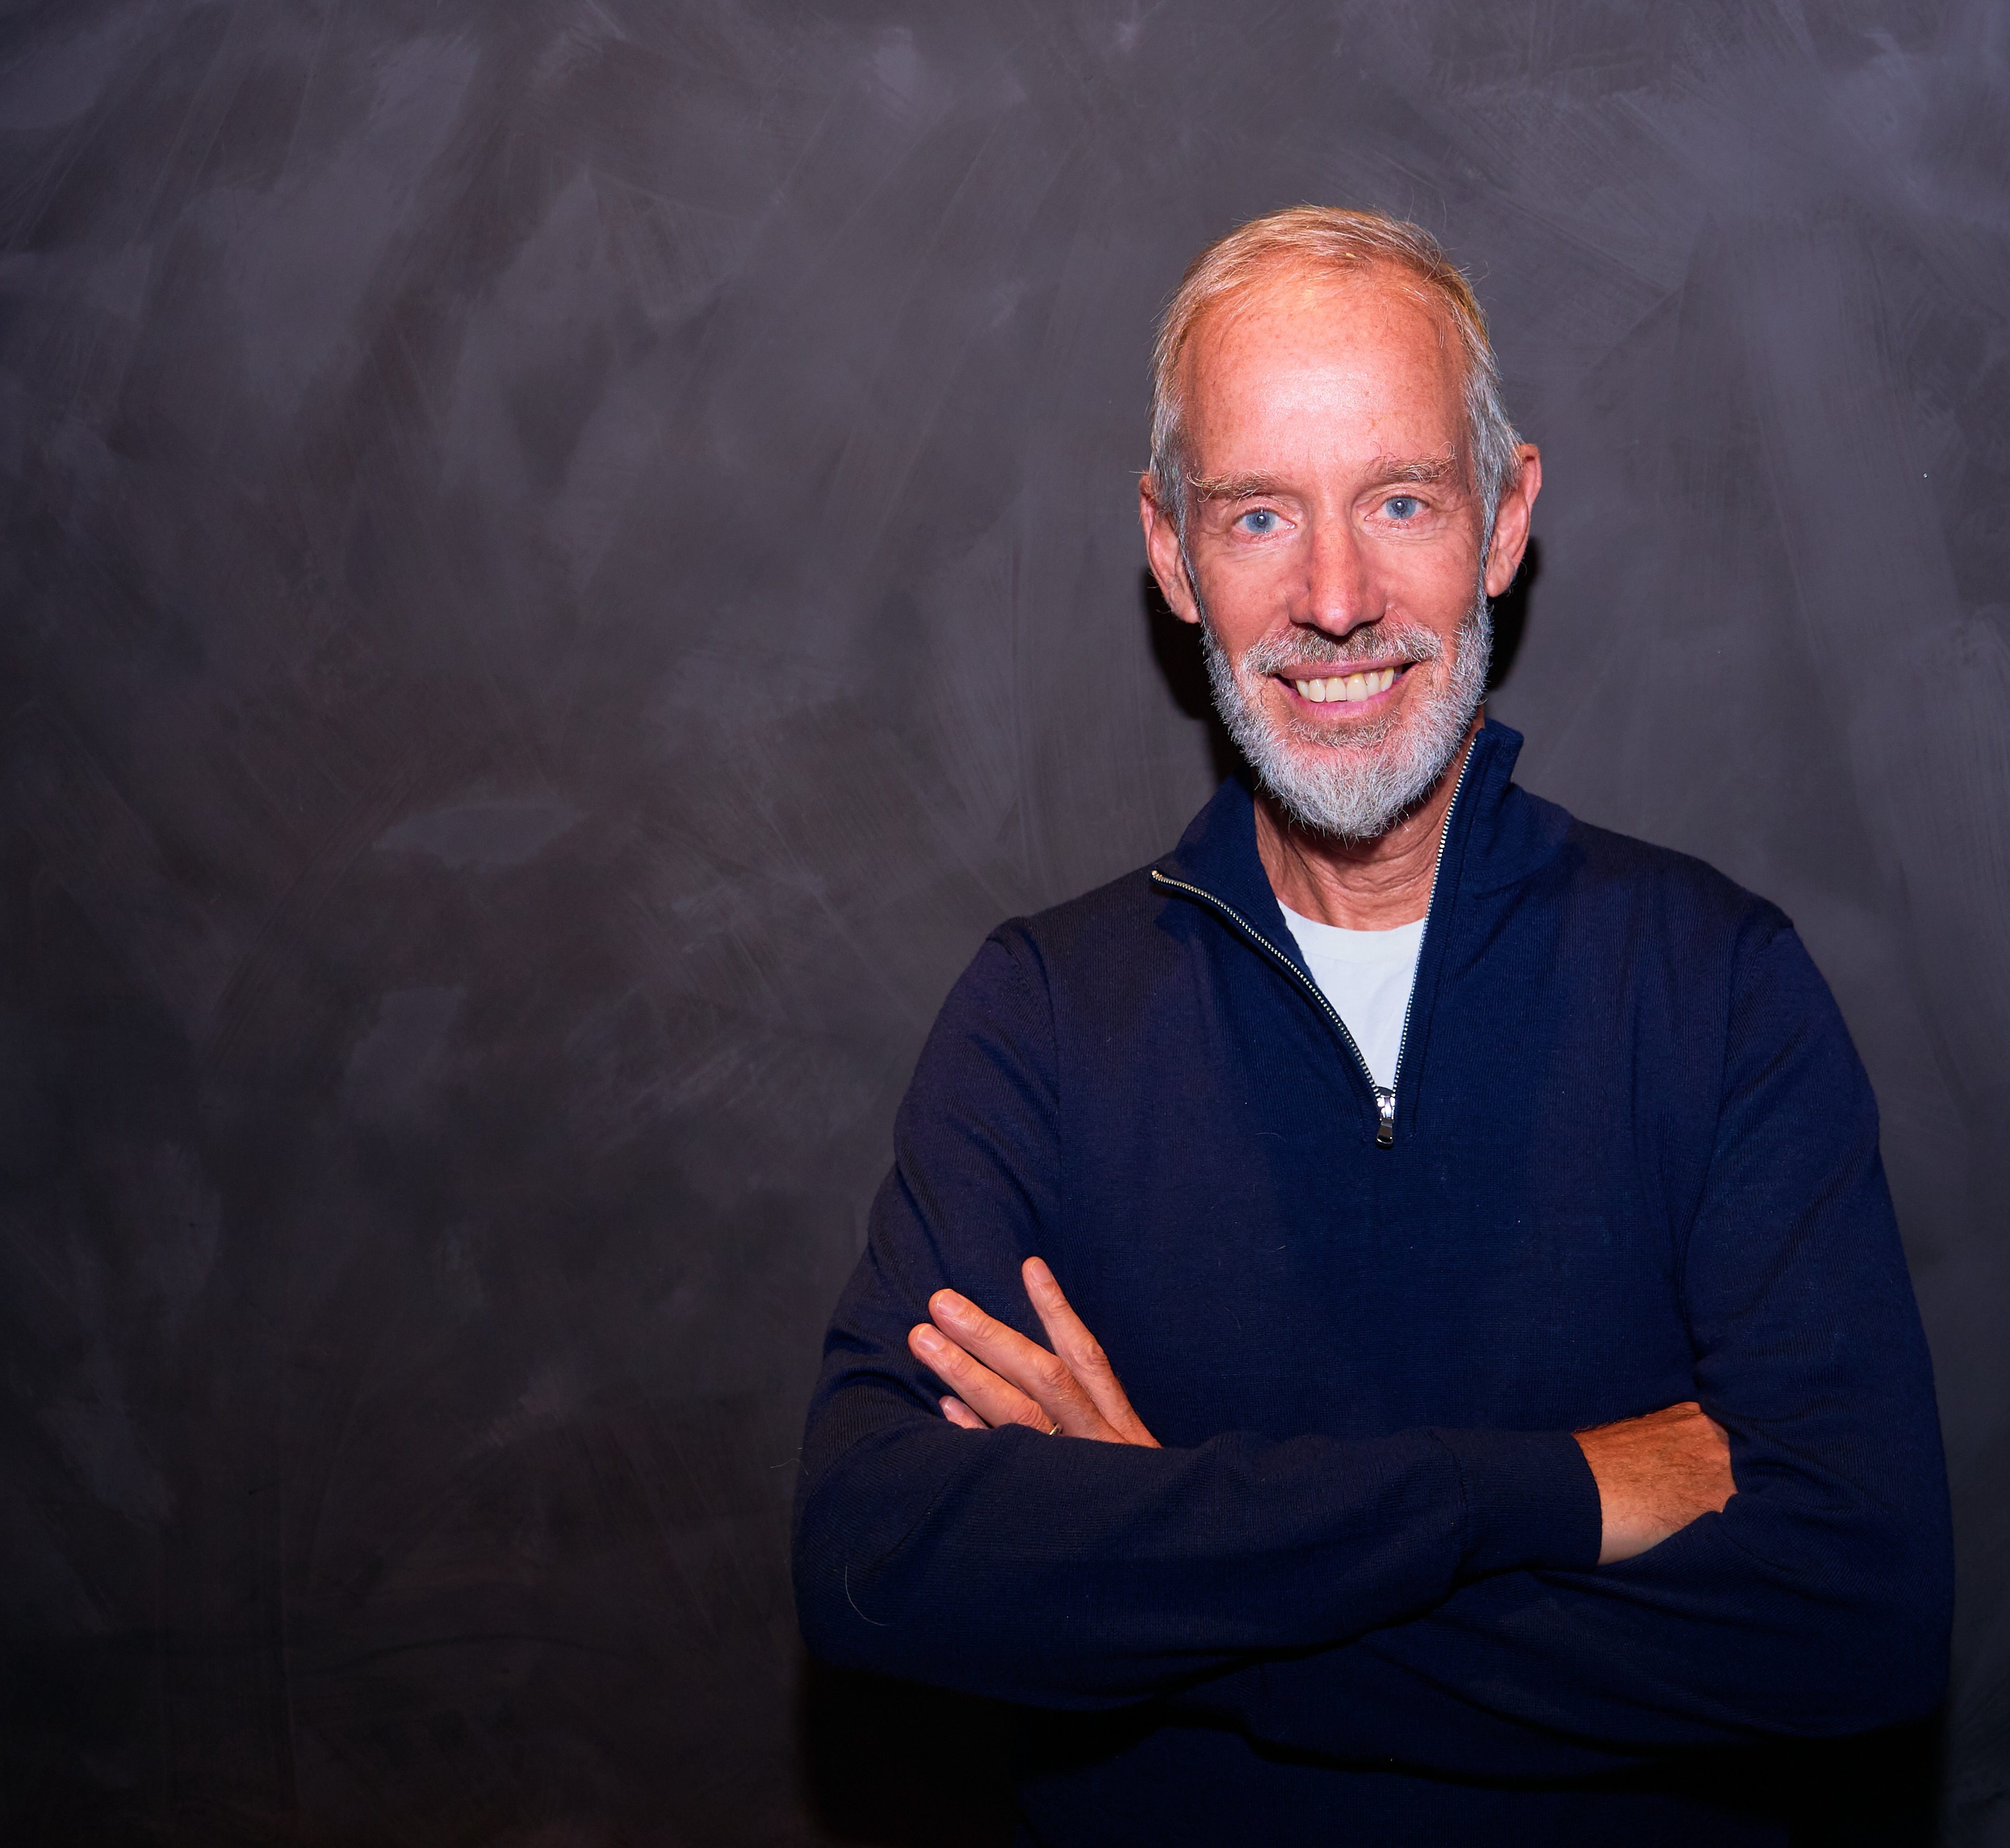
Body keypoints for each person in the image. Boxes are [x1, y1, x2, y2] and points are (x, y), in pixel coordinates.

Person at [792, 206, 1950, 1846]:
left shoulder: (1714, 988)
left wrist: (1154, 1575)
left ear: (1505, 521)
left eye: (1399, 500)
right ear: (1173, 555)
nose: (1336, 601)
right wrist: (1546, 1491)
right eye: (1260, 515)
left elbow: (1858, 1622)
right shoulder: (1041, 1019)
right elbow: (876, 1561)